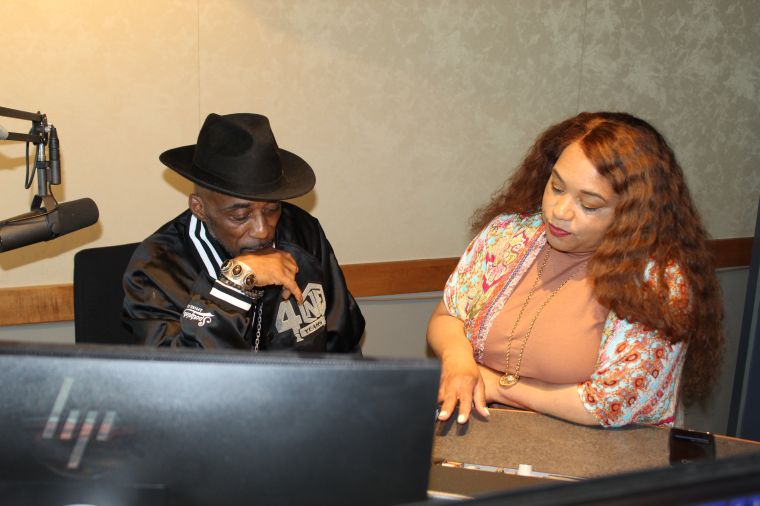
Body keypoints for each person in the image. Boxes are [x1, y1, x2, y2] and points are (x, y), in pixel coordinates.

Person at [427, 112, 723, 428]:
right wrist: (458, 360)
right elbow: (448, 316)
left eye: (589, 205)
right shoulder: (509, 234)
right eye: (557, 187)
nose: (560, 212)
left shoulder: (657, 282)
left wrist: (497, 386)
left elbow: (609, 405)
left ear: (633, 215)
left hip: (598, 447)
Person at [123, 113, 365, 352]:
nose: (263, 230)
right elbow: (175, 371)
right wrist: (236, 282)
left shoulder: (302, 233)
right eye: (240, 216)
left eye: (272, 209)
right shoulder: (159, 268)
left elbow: (343, 343)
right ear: (199, 208)